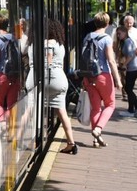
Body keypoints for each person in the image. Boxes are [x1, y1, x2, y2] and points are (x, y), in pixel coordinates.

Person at [81, 11, 120, 147]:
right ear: (108, 24)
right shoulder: (106, 38)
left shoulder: (87, 37)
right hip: (103, 75)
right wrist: (118, 80)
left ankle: (96, 139)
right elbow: (111, 61)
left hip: (88, 76)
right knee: (110, 105)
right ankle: (98, 129)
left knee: (95, 108)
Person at [44, 20, 76, 154]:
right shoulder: (60, 44)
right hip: (62, 80)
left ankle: (35, 140)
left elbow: (48, 61)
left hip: (51, 78)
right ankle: (71, 143)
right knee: (62, 113)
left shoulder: (49, 43)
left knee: (35, 108)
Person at [0, 15, 21, 121]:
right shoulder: (14, 37)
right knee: (11, 105)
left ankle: (2, 127)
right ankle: (11, 131)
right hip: (14, 74)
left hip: (2, 74)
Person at [118, 15, 137, 117]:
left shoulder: (128, 42)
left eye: (119, 34)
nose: (118, 36)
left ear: (125, 33)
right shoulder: (126, 41)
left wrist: (124, 64)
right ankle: (131, 109)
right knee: (129, 88)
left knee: (128, 88)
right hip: (134, 67)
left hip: (133, 67)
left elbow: (130, 55)